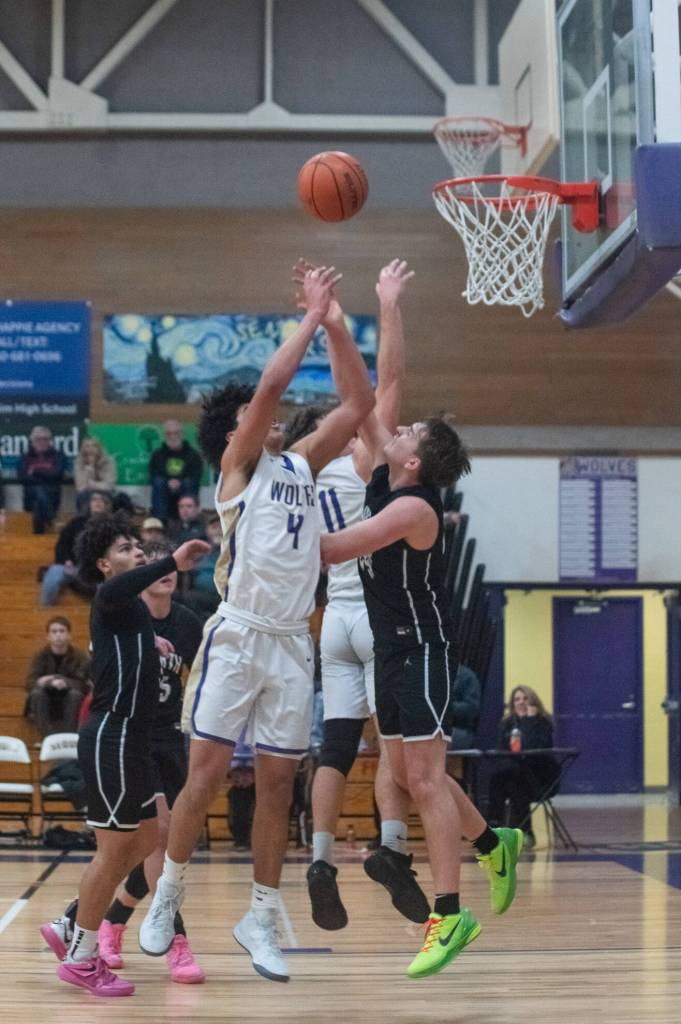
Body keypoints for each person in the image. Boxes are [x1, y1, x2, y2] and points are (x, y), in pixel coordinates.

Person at [139, 264, 375, 984]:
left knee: (278, 786)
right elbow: (270, 388)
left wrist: (335, 320)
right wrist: (305, 317)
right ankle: (169, 893)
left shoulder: (302, 465)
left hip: (290, 645)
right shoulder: (239, 469)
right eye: (255, 409)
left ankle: (263, 912)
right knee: (205, 776)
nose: (272, 410)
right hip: (237, 635)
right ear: (237, 426)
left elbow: (359, 400)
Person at [321, 414, 523, 980]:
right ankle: (492, 841)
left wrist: (267, 529)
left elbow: (333, 549)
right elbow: (360, 401)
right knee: (409, 776)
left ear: (413, 461)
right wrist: (334, 323)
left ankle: (450, 915)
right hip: (388, 653)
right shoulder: (389, 478)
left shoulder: (414, 507)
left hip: (423, 653)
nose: (399, 428)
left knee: (427, 779)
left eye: (410, 432)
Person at [299, 259, 432, 933]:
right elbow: (393, 377)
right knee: (392, 748)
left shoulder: (307, 468)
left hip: (331, 617)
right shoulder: (369, 458)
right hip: (378, 619)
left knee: (335, 748)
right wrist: (387, 304)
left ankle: (320, 859)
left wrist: (325, 320)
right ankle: (390, 849)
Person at [39, 512, 208, 997]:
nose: (136, 551)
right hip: (112, 734)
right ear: (103, 564)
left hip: (137, 739)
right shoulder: (109, 596)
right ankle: (83, 956)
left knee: (145, 839)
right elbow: (127, 587)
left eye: (138, 544)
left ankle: (73, 923)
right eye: (125, 548)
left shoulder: (134, 612)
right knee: (115, 849)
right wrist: (172, 559)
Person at [95, 540, 205, 983]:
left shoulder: (188, 622)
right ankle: (178, 944)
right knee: (159, 841)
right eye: (155, 565)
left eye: (170, 567)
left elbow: (201, 680)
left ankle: (108, 921)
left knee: (170, 851)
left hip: (174, 739)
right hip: (136, 737)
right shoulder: (126, 616)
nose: (164, 572)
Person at [488, 685, 559, 847]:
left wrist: (529, 721)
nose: (521, 702)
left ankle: (522, 833)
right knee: (497, 779)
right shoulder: (507, 723)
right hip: (516, 774)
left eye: (525, 698)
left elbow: (531, 748)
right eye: (517, 699)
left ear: (533, 701)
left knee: (517, 782)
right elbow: (500, 750)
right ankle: (495, 828)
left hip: (540, 777)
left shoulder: (542, 722)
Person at [39, 491, 113, 606]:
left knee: (107, 585)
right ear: (89, 503)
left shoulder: (111, 526)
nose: (97, 502)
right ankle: (44, 610)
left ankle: (101, 617)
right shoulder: (76, 523)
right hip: (72, 566)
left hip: (98, 570)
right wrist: (66, 561)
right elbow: (62, 545)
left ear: (106, 504)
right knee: (52, 575)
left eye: (101, 500)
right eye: (94, 499)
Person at [25, 617, 90, 738]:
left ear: (69, 635)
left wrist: (66, 682)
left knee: (75, 695)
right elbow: (29, 682)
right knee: (36, 694)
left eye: (62, 631)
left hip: (69, 699)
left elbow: (84, 684)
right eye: (54, 632)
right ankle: (47, 738)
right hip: (46, 699)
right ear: (48, 636)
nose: (58, 635)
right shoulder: (40, 655)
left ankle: (69, 737)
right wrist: (42, 682)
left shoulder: (79, 656)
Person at [149, 420, 203, 521]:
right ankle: (161, 521)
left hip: (185, 487)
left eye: (176, 433)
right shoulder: (157, 455)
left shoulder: (193, 455)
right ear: (164, 435)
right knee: (158, 482)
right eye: (169, 433)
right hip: (164, 488)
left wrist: (179, 482)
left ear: (182, 434)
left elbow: (196, 476)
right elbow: (153, 475)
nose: (173, 436)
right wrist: (169, 482)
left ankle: (188, 520)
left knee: (188, 483)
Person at [18, 425, 65, 534]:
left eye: (45, 439)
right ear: (32, 441)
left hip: (52, 496)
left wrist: (35, 472)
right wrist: (47, 476)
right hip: (30, 498)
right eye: (38, 439)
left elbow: (57, 475)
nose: (42, 442)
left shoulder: (58, 455)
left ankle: (37, 543)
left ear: (50, 441)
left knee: (38, 505)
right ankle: (53, 521)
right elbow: (23, 478)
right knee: (38, 494)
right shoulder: (25, 457)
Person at [174, 515, 221, 622]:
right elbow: (186, 570)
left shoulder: (234, 548)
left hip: (225, 595)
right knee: (187, 597)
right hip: (200, 594)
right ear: (207, 531)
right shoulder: (198, 550)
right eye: (214, 527)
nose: (218, 531)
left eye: (221, 526)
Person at [74, 437, 117, 514]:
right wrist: (90, 469)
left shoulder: (108, 461)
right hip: (86, 494)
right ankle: (84, 521)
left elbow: (109, 485)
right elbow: (80, 487)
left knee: (100, 498)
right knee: (83, 496)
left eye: (93, 446)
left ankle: (104, 521)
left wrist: (92, 484)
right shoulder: (79, 462)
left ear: (99, 448)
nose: (90, 449)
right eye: (87, 446)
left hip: (105, 492)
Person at [449, 664, 481, 751]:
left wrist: (447, 707)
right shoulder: (432, 675)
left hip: (458, 729)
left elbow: (472, 709)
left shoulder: (466, 676)